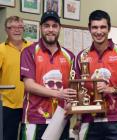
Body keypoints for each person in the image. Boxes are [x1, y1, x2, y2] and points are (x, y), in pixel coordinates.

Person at [76, 10, 117, 140]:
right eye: (95, 27)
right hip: (89, 121)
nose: (99, 32)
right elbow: (76, 89)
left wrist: (113, 89)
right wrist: (77, 117)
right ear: (89, 28)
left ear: (109, 28)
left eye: (103, 27)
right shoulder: (81, 56)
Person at [20, 10, 76, 140]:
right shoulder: (29, 52)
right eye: (46, 25)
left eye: (54, 26)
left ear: (59, 28)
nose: (50, 30)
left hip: (61, 119)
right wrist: (59, 94)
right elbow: (29, 85)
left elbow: (73, 88)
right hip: (34, 120)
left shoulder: (70, 56)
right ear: (41, 28)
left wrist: (71, 104)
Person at [0, 16, 31, 140]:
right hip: (8, 105)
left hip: (30, 104)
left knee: (29, 137)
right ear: (6, 30)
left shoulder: (32, 47)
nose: (16, 30)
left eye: (19, 27)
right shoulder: (1, 49)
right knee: (8, 137)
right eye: (12, 27)